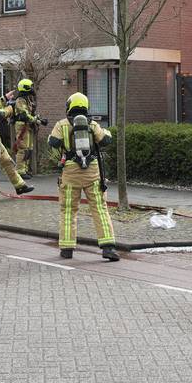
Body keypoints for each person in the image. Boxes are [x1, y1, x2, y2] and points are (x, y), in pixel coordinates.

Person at [48, 92, 119, 261]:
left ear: (69, 106)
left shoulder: (62, 125)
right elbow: (104, 141)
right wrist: (107, 133)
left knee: (68, 211)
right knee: (100, 209)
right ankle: (108, 247)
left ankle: (67, 248)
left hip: (71, 173)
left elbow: (53, 143)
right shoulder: (92, 124)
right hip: (92, 172)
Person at [9, 79, 41, 178]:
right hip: (22, 126)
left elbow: (30, 114)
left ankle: (25, 169)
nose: (32, 88)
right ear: (25, 88)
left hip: (28, 126)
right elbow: (24, 114)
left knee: (29, 149)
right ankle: (20, 171)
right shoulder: (20, 100)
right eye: (30, 86)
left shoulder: (27, 99)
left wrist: (39, 119)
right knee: (22, 148)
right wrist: (36, 120)